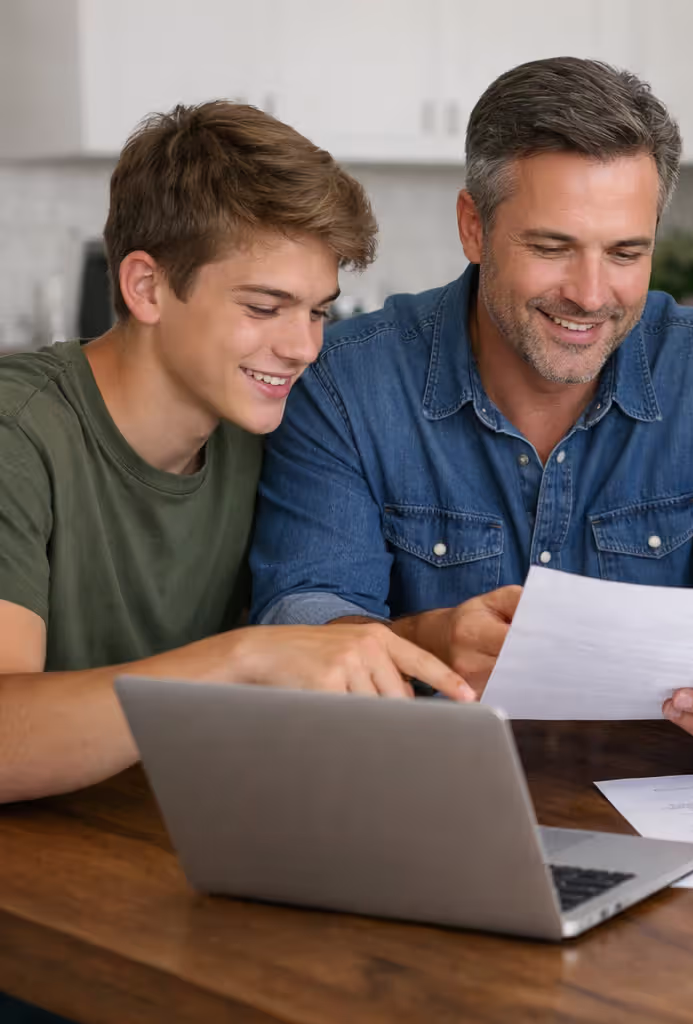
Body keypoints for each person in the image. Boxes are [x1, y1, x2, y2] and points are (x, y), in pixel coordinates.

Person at [249, 58, 693, 763]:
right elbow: (300, 618)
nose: (592, 294)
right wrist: (435, 638)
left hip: (660, 797)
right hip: (422, 791)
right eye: (552, 248)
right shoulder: (345, 382)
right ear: (473, 228)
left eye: (626, 252)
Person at [0, 102, 472, 805]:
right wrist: (241, 658)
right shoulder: (20, 433)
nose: (304, 347)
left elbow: (298, 659)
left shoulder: (271, 431)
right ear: (146, 286)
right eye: (263, 307)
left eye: (317, 310)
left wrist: (424, 637)